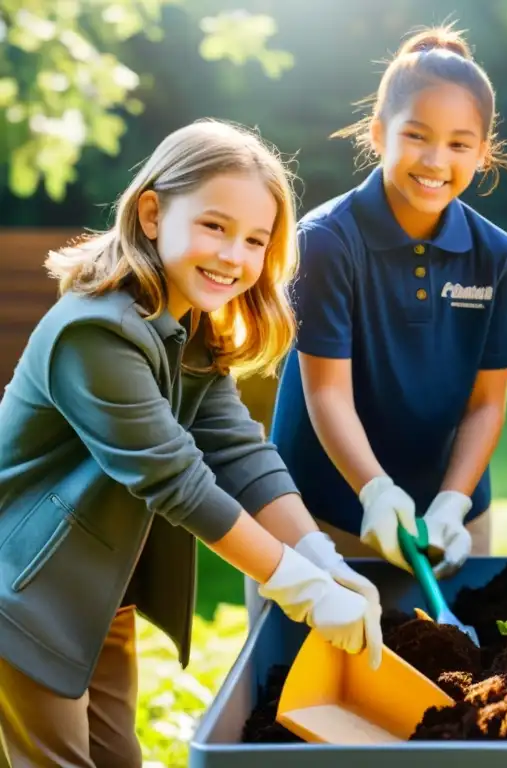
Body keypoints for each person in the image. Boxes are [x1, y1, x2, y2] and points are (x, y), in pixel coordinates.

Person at [0, 120, 385, 768]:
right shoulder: (96, 335)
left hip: (98, 597)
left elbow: (239, 450)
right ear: (152, 213)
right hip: (27, 596)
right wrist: (300, 588)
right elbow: (180, 482)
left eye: (255, 240)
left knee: (119, 757)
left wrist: (323, 558)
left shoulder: (186, 328)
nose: (234, 255)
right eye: (215, 226)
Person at [264, 24, 507, 589]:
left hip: (451, 516)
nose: (436, 159)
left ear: (483, 154)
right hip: (324, 508)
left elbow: (488, 405)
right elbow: (326, 391)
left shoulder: (497, 255)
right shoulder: (326, 240)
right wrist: (375, 491)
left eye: (460, 143)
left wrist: (453, 504)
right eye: (416, 135)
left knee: (459, 666)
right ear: (378, 132)